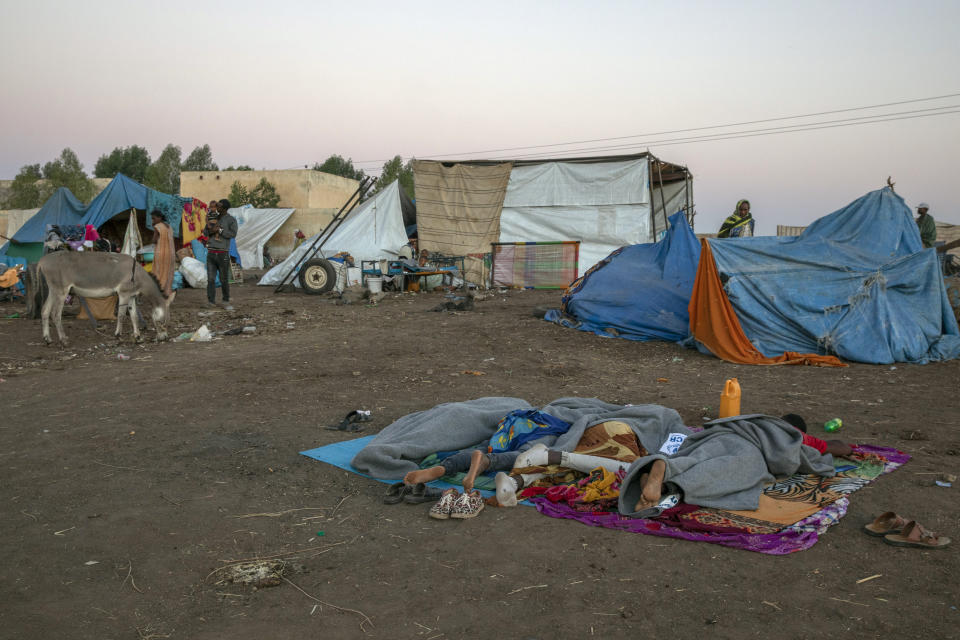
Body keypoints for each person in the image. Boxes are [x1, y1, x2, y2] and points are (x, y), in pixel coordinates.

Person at [205, 199, 237, 310]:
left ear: (224, 208)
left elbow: (233, 234)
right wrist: (211, 231)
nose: (217, 207)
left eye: (219, 206)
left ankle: (225, 300)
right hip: (211, 253)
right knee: (210, 279)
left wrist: (220, 230)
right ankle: (211, 301)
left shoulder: (231, 220)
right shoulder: (212, 218)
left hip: (223, 253)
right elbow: (205, 232)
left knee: (224, 279)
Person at [150, 210, 176, 297]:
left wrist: (154, 227)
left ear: (159, 218)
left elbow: (154, 240)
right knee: (167, 272)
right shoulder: (169, 227)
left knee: (158, 270)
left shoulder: (157, 226)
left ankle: (158, 289)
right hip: (170, 253)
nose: (153, 221)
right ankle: (167, 291)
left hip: (161, 252)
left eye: (154, 218)